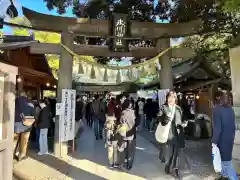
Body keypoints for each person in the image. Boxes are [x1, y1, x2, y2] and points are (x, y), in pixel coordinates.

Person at [157, 90, 187, 178]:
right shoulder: (163, 107)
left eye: (172, 98)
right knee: (169, 154)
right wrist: (166, 117)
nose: (170, 99)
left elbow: (183, 119)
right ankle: (167, 166)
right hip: (168, 135)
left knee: (176, 154)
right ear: (167, 98)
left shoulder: (179, 108)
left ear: (175, 99)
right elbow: (159, 117)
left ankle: (175, 169)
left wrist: (184, 123)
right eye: (169, 97)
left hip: (177, 135)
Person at [212, 91, 238, 180]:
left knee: (226, 162)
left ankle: (233, 178)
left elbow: (217, 128)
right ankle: (224, 176)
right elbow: (234, 126)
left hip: (221, 140)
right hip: (230, 139)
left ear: (219, 98)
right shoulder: (231, 109)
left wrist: (214, 141)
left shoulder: (217, 109)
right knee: (226, 160)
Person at [14, 91, 36, 161]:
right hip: (27, 124)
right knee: (24, 140)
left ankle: (12, 154)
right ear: (25, 95)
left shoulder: (15, 101)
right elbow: (34, 114)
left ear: (19, 95)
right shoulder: (30, 102)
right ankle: (22, 155)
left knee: (14, 140)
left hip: (16, 123)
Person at [117, 99, 136, 170]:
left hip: (124, 133)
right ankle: (129, 164)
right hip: (131, 133)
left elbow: (121, 121)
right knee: (130, 150)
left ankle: (123, 162)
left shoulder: (123, 112)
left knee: (124, 148)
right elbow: (136, 122)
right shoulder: (133, 112)